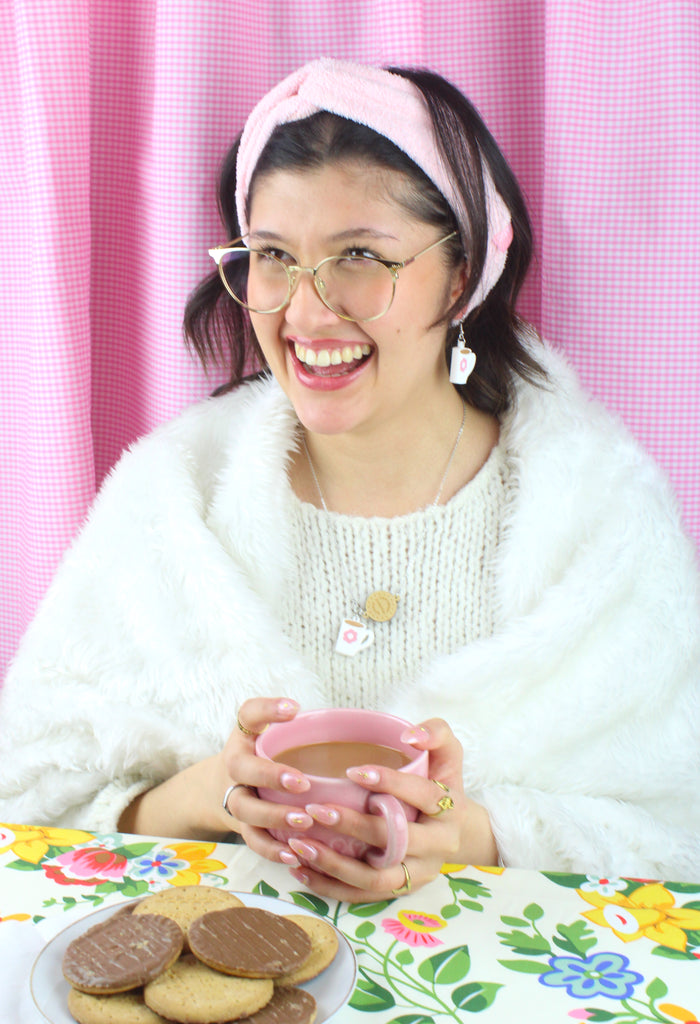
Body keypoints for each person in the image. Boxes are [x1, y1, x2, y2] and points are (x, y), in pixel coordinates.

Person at [0, 58, 698, 903]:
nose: (306, 312)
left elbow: (677, 831)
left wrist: (474, 832)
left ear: (463, 271)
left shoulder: (601, 520)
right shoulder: (172, 503)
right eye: (272, 257)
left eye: (359, 255)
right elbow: (27, 806)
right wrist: (214, 794)